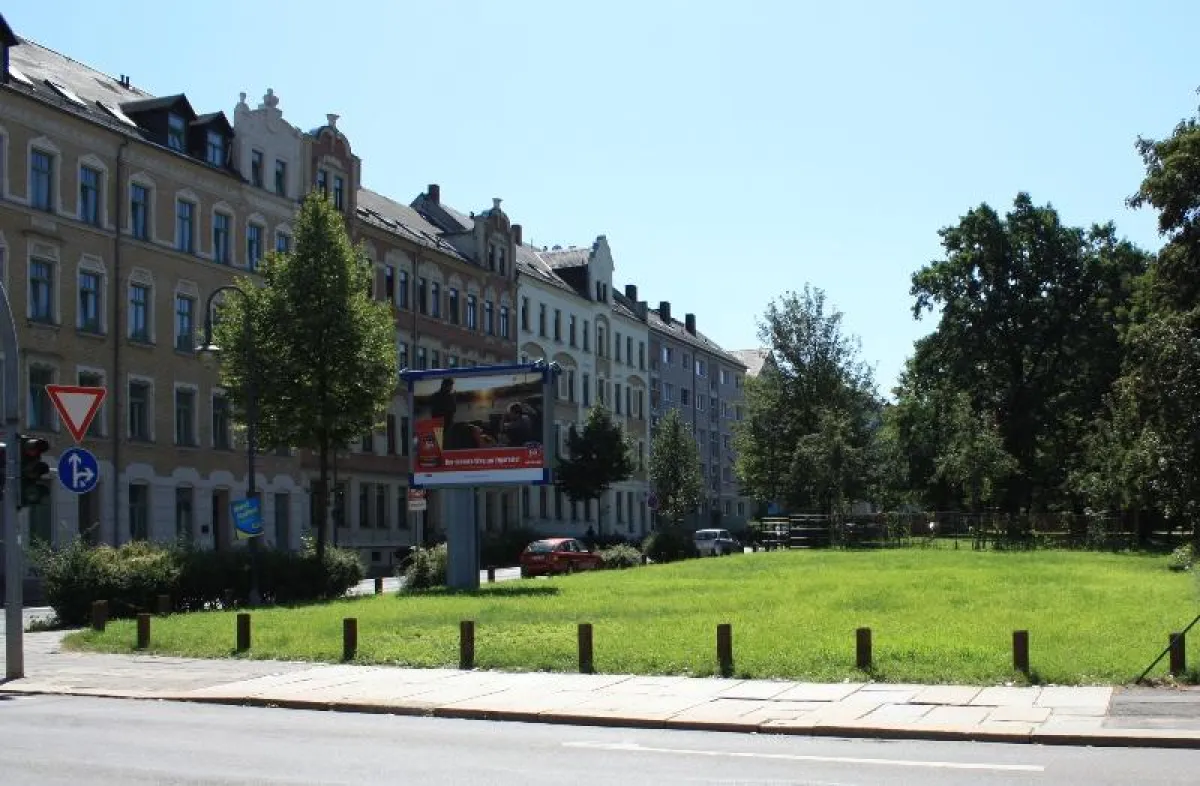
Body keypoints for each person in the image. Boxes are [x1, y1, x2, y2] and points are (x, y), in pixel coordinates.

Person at [429, 378, 457, 447]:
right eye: (450, 385)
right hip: (447, 426)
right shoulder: (449, 396)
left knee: (439, 446)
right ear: (445, 385)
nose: (451, 387)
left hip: (437, 424)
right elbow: (453, 409)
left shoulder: (435, 396)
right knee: (447, 445)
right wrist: (453, 397)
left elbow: (433, 411)